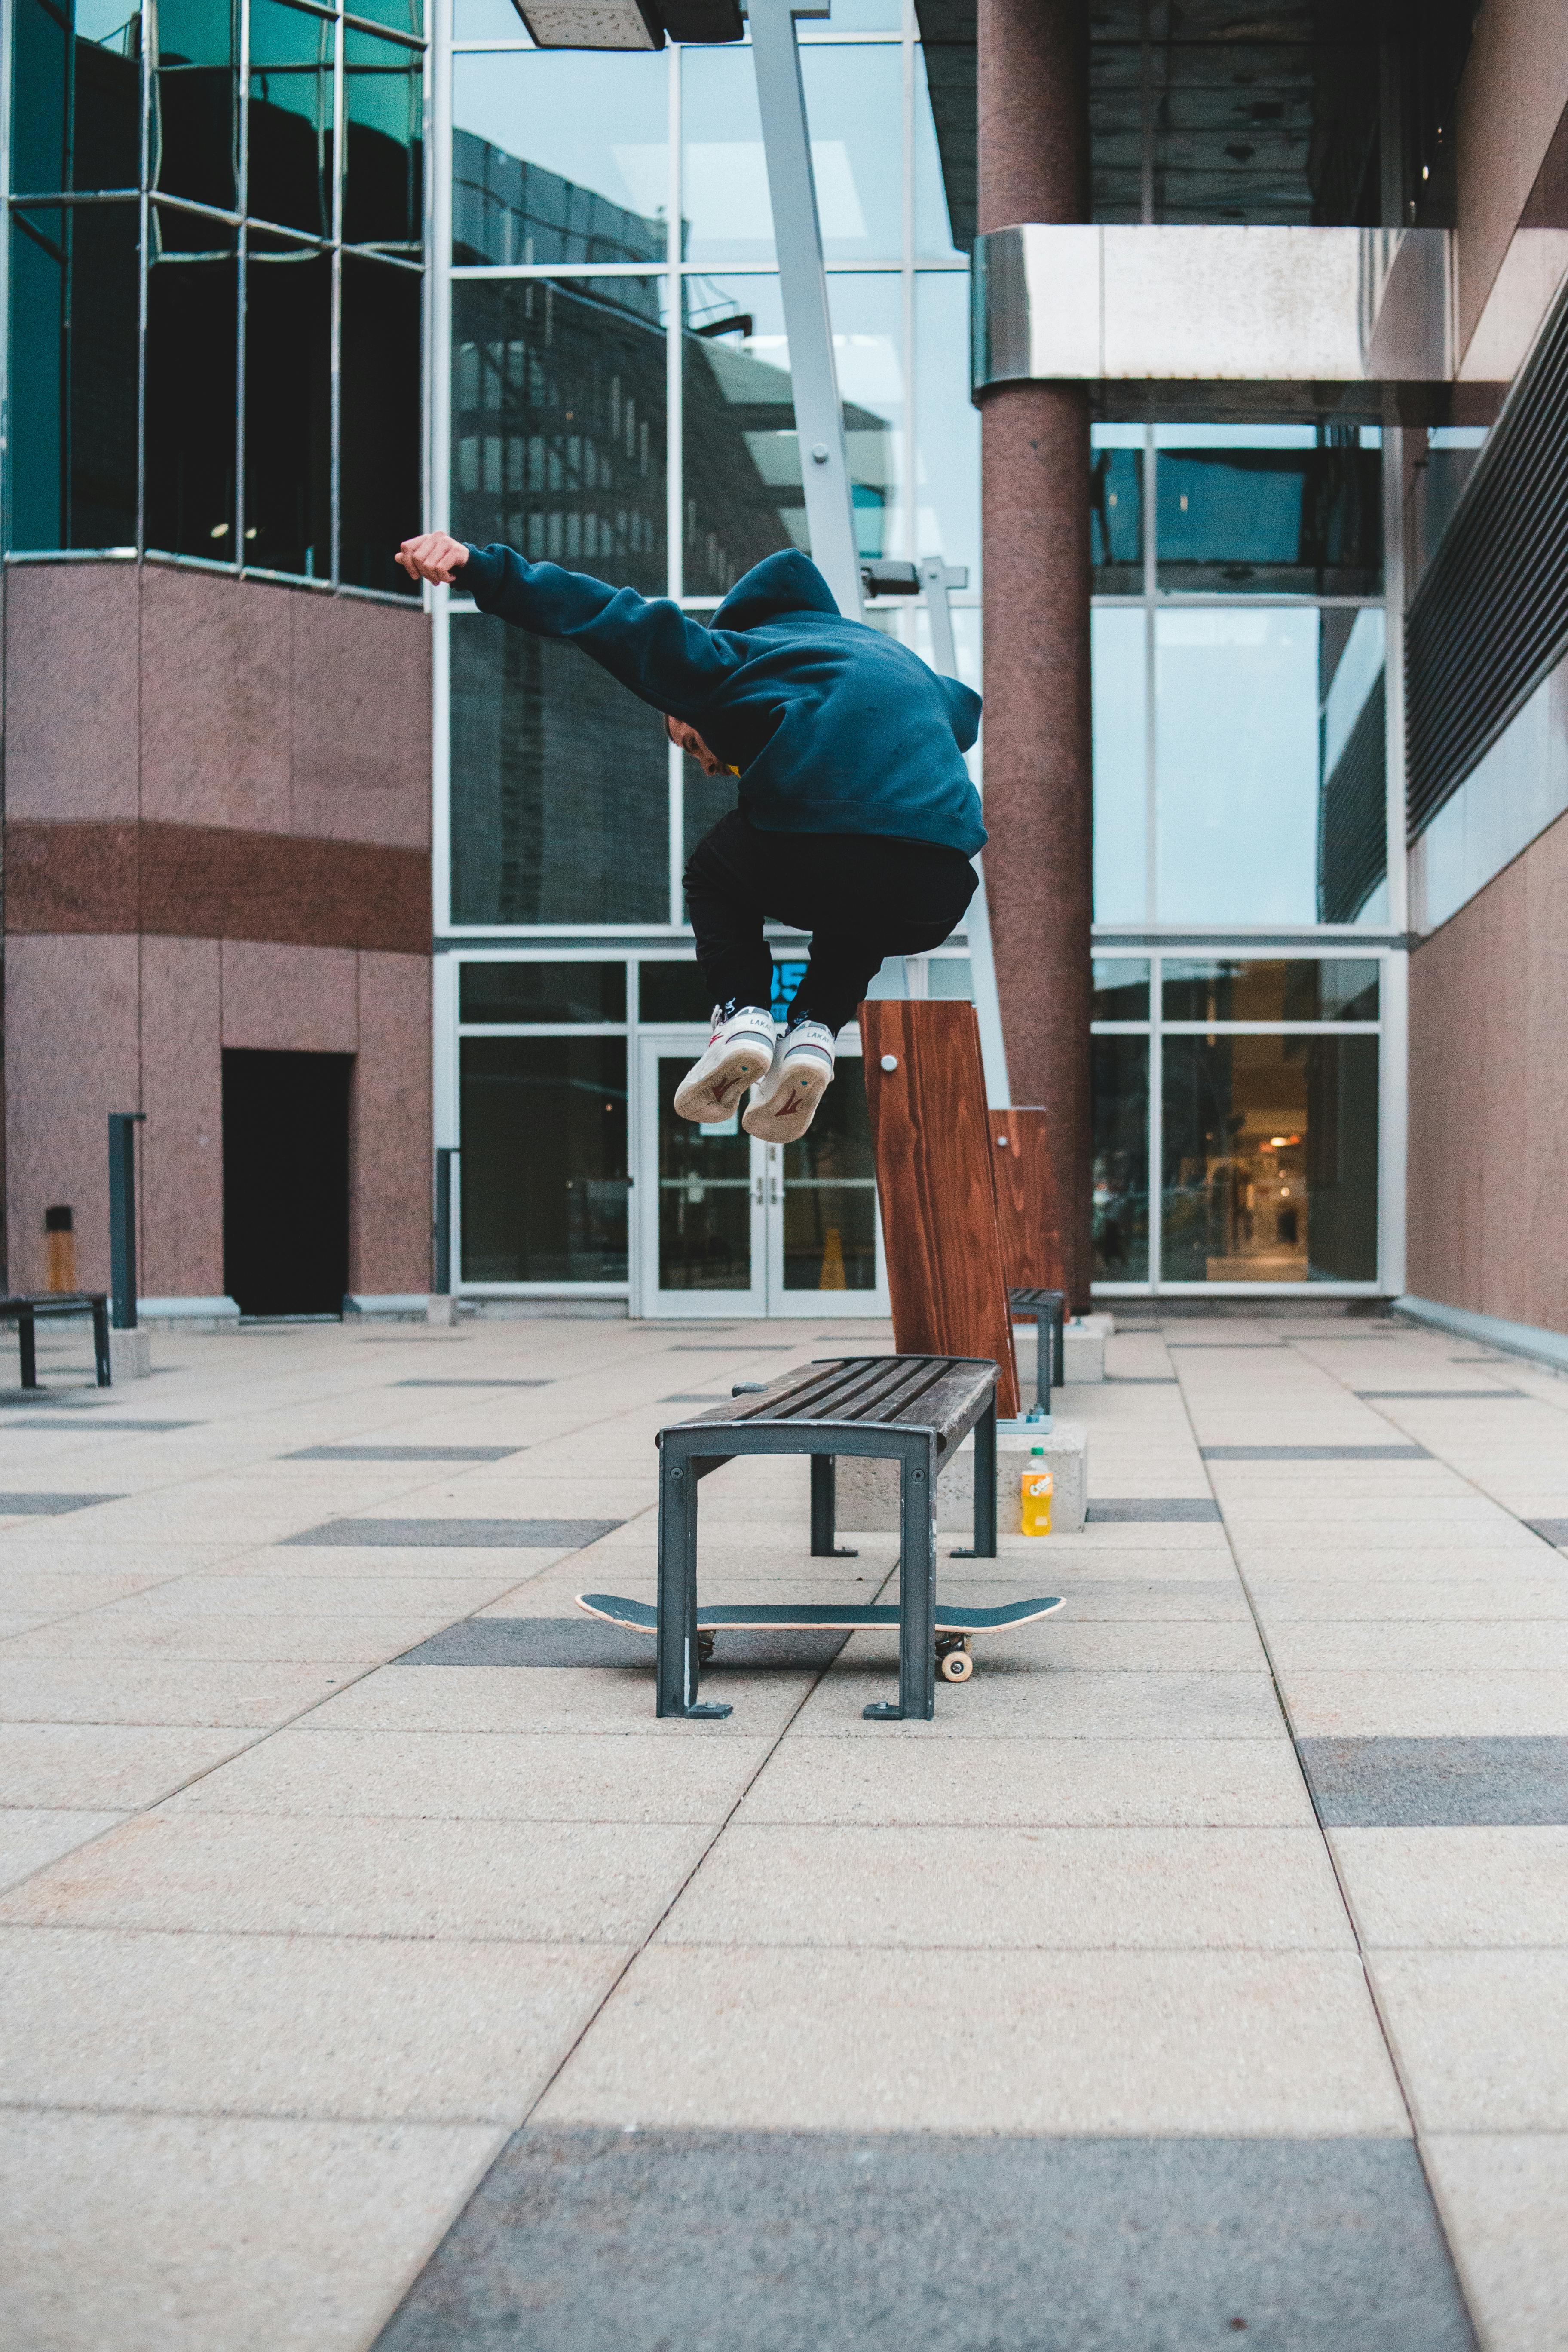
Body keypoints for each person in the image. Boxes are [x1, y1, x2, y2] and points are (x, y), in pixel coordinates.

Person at [398, 530, 984, 1141]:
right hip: (938, 888)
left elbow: (604, 616)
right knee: (860, 902)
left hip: (831, 844)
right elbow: (965, 711)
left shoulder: (733, 659)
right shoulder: (895, 660)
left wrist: (479, 570)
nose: (710, 767)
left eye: (693, 745)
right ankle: (814, 1033)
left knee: (716, 872)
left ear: (685, 708)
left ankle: (743, 1017)